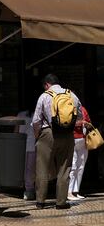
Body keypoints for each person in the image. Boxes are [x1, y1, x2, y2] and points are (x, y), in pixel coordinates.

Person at [32, 74, 82, 210]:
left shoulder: (44, 96)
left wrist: (37, 136)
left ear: (47, 84)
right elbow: (79, 115)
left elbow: (36, 120)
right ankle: (61, 202)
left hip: (48, 133)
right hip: (67, 135)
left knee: (42, 167)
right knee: (64, 168)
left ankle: (40, 202)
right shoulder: (71, 95)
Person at [68, 105, 91, 200]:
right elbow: (66, 123)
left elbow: (89, 122)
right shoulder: (66, 108)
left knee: (81, 165)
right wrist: (80, 122)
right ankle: (69, 192)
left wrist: (87, 124)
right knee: (73, 165)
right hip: (72, 139)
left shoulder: (83, 108)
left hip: (83, 139)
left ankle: (75, 191)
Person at [17, 109, 36, 201]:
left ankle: (28, 189)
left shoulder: (20, 114)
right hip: (34, 145)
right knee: (32, 169)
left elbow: (16, 131)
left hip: (22, 145)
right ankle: (30, 190)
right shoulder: (37, 113)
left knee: (25, 169)